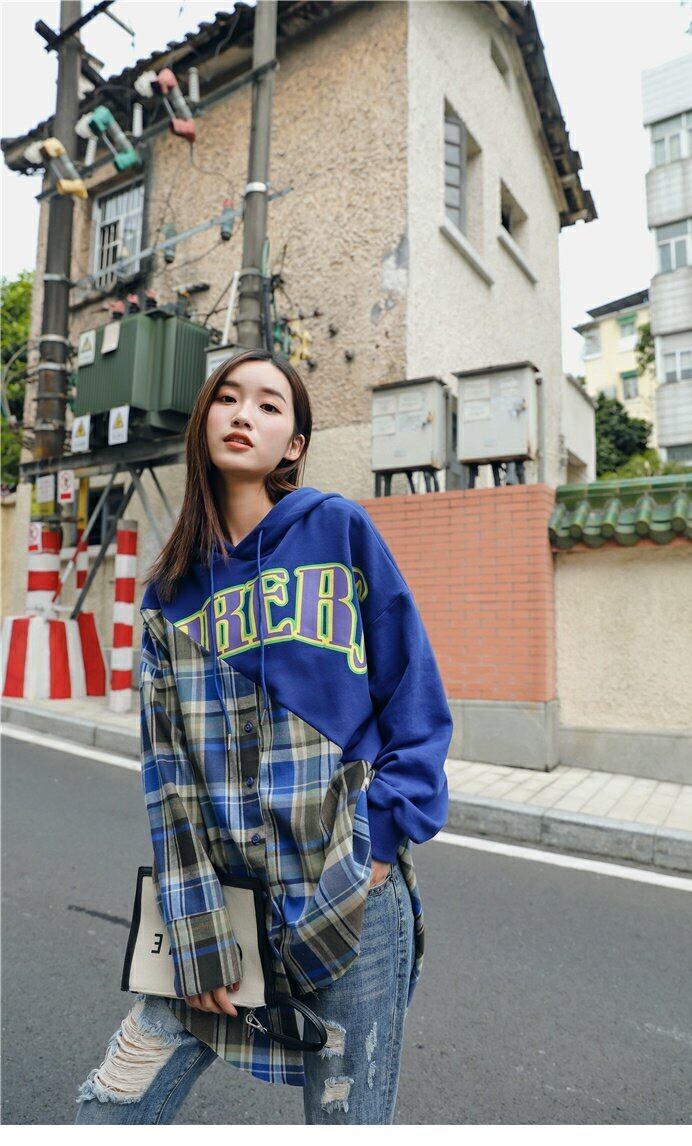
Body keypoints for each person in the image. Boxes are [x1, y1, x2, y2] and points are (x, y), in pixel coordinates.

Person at [73, 349, 453, 1124]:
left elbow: (414, 695)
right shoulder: (170, 594)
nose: (244, 414)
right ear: (203, 421)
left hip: (348, 893)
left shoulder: (338, 530)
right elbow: (169, 782)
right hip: (223, 904)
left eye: (270, 405)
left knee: (345, 1123)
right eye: (228, 398)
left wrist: (379, 842)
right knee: (110, 1108)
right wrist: (194, 927)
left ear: (294, 444)